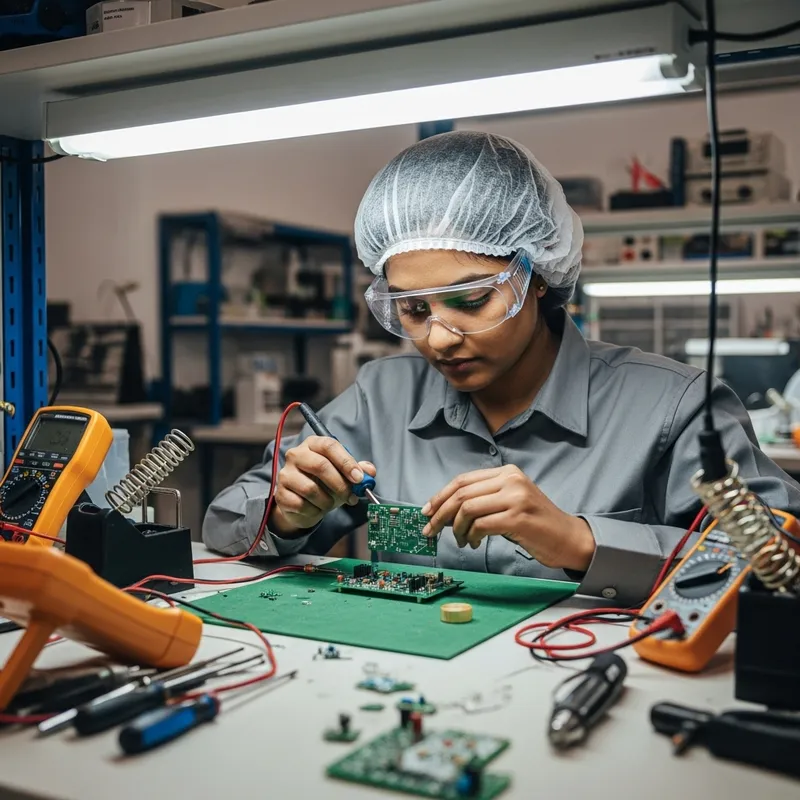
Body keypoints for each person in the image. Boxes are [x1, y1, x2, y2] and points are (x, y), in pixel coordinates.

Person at [202, 130, 800, 606]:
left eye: (470, 301)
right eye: (412, 309)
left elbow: (783, 570)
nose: (439, 338)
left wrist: (580, 541)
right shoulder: (379, 399)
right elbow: (225, 524)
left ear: (536, 275)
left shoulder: (675, 407)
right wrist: (285, 511)